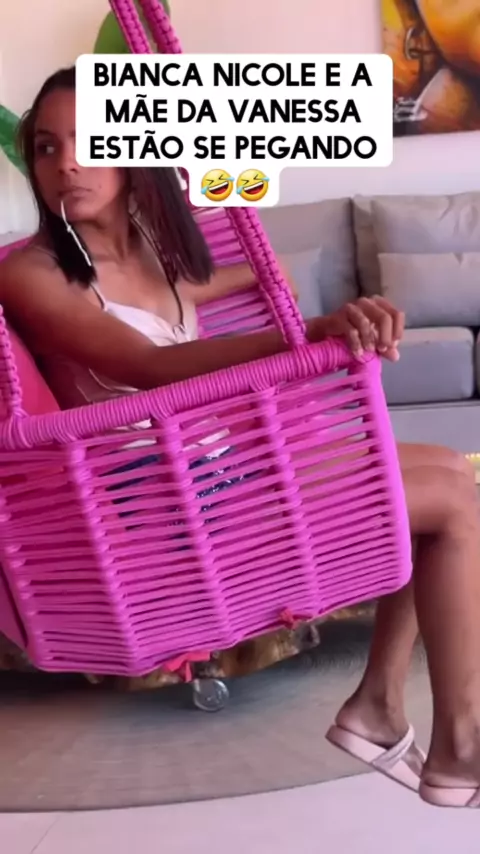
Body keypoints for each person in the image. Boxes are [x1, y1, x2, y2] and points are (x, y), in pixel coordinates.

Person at [1, 66, 480, 810]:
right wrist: (310, 334)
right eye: (45, 147)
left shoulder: (157, 258)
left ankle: (379, 704)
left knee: (450, 471)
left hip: (220, 475)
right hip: (165, 508)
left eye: (89, 141)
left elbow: (251, 274)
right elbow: (146, 365)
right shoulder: (31, 273)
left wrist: (326, 306)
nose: (66, 163)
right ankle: (459, 739)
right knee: (450, 508)